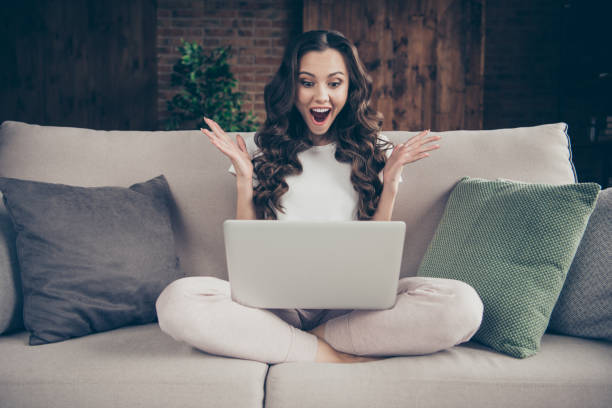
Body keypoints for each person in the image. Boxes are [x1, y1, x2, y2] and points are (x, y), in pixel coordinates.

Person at [155, 30, 483, 364]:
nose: (320, 96)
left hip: (351, 308)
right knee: (176, 301)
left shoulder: (377, 150)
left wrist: (391, 181)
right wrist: (244, 177)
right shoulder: (261, 151)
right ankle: (327, 353)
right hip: (276, 306)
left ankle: (298, 343)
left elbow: (374, 260)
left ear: (350, 89)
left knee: (463, 305)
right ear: (291, 87)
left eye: (334, 83)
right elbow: (247, 260)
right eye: (307, 83)